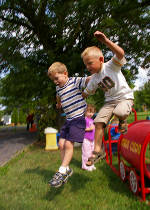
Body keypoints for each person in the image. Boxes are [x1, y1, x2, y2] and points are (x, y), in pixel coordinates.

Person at [81, 31, 134, 166]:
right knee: (98, 123)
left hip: (124, 98)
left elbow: (121, 54)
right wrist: (77, 97)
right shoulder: (93, 79)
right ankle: (98, 151)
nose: (88, 67)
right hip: (109, 102)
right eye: (86, 65)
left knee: (120, 112)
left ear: (101, 60)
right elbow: (87, 92)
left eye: (90, 63)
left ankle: (122, 121)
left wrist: (105, 41)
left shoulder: (111, 65)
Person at [47, 61, 90, 188]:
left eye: (56, 78)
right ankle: (66, 170)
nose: (55, 81)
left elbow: (87, 79)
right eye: (52, 80)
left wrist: (100, 73)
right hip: (69, 119)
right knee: (61, 144)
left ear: (65, 74)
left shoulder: (74, 81)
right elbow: (58, 95)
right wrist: (59, 104)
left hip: (79, 117)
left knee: (68, 143)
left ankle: (61, 170)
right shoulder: (58, 88)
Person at [82, 104, 96, 171]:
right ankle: (85, 166)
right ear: (85, 112)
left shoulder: (92, 120)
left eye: (92, 112)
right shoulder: (84, 120)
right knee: (86, 153)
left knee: (92, 153)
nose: (91, 114)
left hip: (92, 139)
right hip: (86, 139)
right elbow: (81, 128)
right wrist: (89, 129)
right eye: (89, 112)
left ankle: (91, 164)